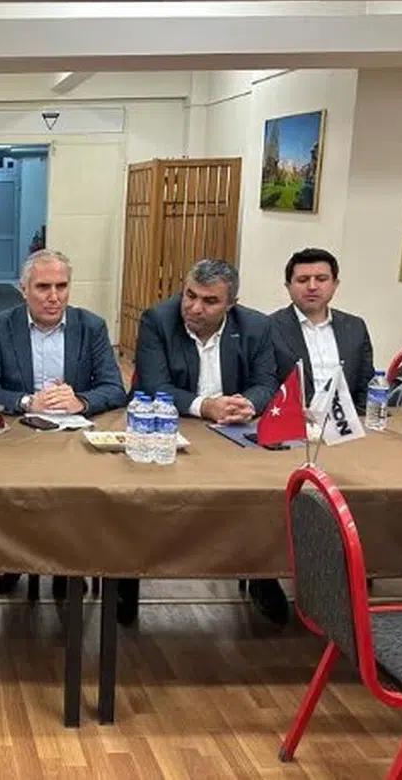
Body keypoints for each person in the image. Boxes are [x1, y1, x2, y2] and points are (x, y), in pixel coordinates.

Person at [133, 258, 287, 626]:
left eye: (209, 301)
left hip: (232, 434)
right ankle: (127, 579)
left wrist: (248, 403)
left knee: (262, 494)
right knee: (142, 497)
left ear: (231, 303)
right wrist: (205, 406)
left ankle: (262, 574)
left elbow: (267, 381)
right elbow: (152, 384)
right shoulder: (158, 320)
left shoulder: (255, 326)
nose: (195, 307)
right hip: (171, 427)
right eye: (190, 295)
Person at [0, 249, 126, 599]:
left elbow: (115, 389)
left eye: (61, 286)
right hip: (19, 440)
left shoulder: (91, 326)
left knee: (75, 494)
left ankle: (67, 566)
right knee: (15, 495)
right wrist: (28, 401)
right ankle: (15, 560)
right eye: (43, 287)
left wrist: (81, 400)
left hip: (74, 441)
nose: (53, 296)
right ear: (23, 289)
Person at [269, 248, 374, 411]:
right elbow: (264, 385)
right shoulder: (269, 327)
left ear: (335, 285)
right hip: (290, 420)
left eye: (321, 279)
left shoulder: (355, 327)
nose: (312, 286)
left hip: (346, 422)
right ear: (288, 286)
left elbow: (365, 386)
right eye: (303, 280)